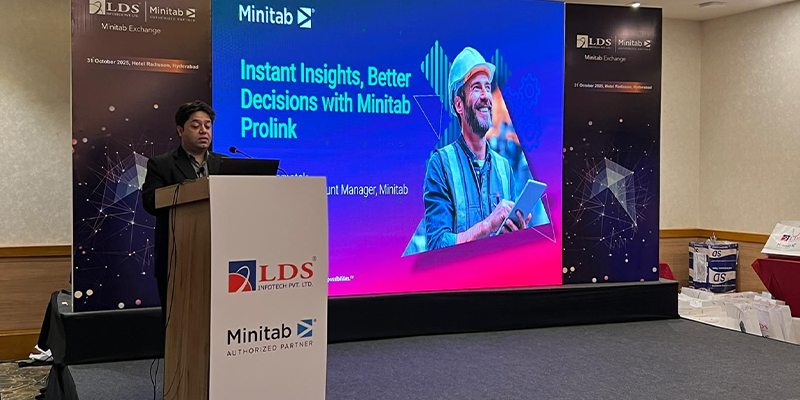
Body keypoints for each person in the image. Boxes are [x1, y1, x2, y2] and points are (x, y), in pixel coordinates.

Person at [423, 47, 531, 251]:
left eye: (487, 87)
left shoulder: (504, 168)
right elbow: (437, 246)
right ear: (459, 105)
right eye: (476, 88)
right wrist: (487, 226)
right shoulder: (441, 165)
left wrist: (517, 233)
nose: (485, 96)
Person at [142, 100, 224, 317]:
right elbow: (150, 201)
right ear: (180, 130)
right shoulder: (161, 164)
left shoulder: (223, 163)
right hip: (177, 256)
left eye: (207, 125)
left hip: (219, 255)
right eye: (196, 126)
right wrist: (187, 192)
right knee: (179, 319)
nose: (203, 131)